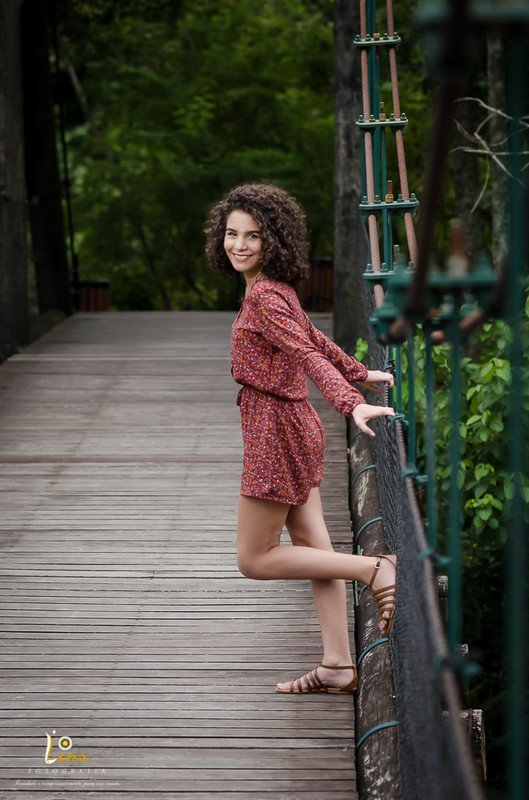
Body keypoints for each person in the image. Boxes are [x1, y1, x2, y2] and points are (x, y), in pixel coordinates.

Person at [205, 183, 396, 694]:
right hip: (292, 426)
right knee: (313, 545)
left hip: (275, 431)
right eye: (232, 233)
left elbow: (306, 353)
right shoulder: (274, 289)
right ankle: (337, 664)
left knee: (255, 559)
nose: (239, 245)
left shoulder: (265, 296)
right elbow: (315, 339)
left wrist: (350, 400)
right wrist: (357, 372)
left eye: (252, 236)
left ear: (275, 241)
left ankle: (376, 570)